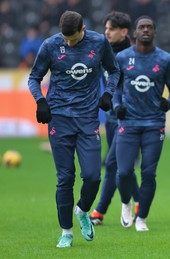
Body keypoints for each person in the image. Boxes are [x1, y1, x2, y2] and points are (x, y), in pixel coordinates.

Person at [28, 10, 120, 248]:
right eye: (65, 38)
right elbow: (34, 77)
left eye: (73, 39)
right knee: (65, 178)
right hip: (58, 118)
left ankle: (82, 210)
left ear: (83, 29)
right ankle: (66, 232)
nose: (68, 43)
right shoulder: (50, 45)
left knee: (92, 176)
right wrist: (41, 101)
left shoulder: (99, 42)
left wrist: (108, 93)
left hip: (88, 117)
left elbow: (115, 70)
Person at [113, 15, 170, 231]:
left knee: (148, 173)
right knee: (123, 172)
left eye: (149, 27)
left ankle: (141, 218)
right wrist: (116, 106)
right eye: (141, 27)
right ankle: (126, 202)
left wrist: (169, 102)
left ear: (154, 32)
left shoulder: (165, 59)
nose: (145, 30)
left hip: (154, 123)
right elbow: (114, 86)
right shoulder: (123, 58)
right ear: (134, 33)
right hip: (128, 122)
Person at [89, 11, 140, 226]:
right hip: (111, 117)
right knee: (122, 165)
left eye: (111, 29)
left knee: (112, 164)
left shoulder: (135, 55)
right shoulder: (104, 51)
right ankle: (140, 201)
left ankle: (100, 210)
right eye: (106, 28)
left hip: (128, 118)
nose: (106, 32)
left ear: (124, 32)